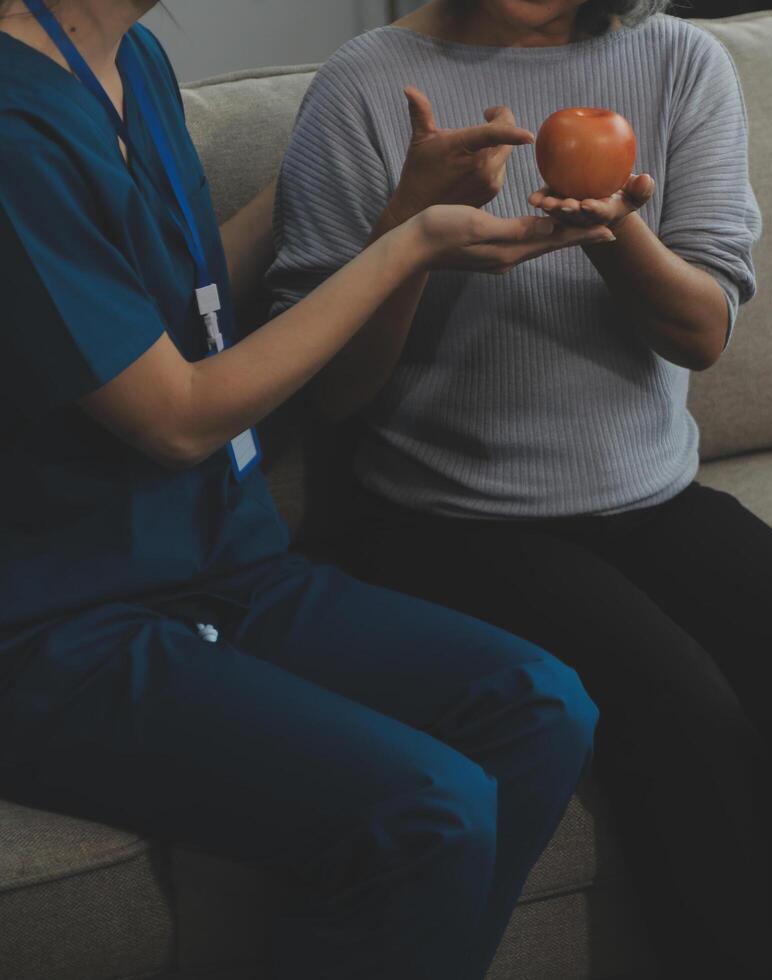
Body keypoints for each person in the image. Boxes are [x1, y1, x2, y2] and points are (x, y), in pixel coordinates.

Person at [266, 1, 772, 978]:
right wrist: (406, 230)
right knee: (685, 710)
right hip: (444, 514)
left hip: (648, 494)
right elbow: (332, 392)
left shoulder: (679, 65)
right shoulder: (368, 83)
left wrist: (614, 233)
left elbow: (700, 333)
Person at [0, 2, 614, 978]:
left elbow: (190, 285)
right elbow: (179, 414)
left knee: (541, 706)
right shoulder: (12, 125)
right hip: (57, 627)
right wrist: (405, 250)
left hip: (222, 562)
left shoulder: (131, 61)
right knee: (431, 805)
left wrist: (378, 193)